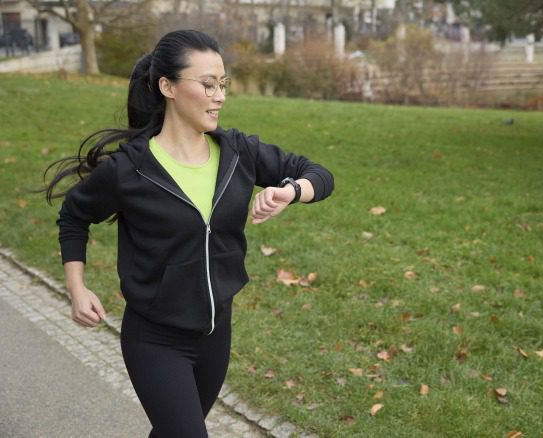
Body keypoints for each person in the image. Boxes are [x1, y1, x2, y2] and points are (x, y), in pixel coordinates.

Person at [44, 29, 334, 437]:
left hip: (216, 335)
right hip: (155, 340)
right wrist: (77, 288)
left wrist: (290, 191)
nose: (220, 96)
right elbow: (74, 215)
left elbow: (318, 174)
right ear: (168, 87)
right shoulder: (130, 169)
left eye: (223, 85)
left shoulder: (237, 152)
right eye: (208, 85)